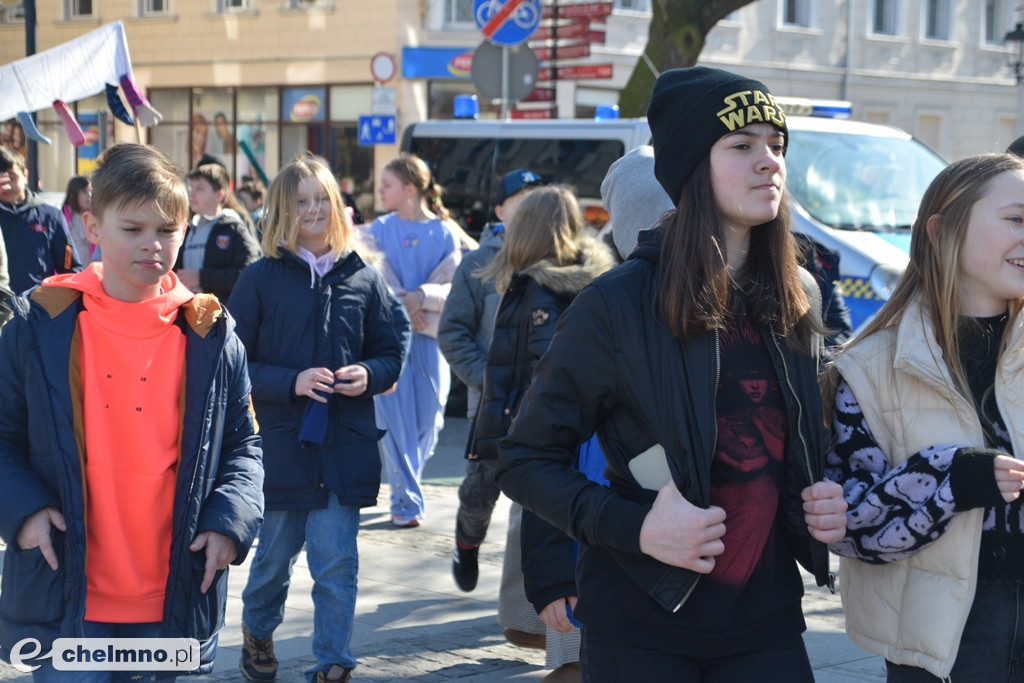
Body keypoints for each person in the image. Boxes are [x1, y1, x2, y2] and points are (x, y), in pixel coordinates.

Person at [494, 66, 848, 681]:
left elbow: (793, 444)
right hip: (642, 626)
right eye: (742, 146)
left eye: (777, 144)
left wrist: (821, 502)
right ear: (689, 167)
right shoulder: (615, 304)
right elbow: (524, 460)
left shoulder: (800, 297)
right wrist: (636, 528)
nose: (769, 161)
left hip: (768, 622)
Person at [0, 142, 265, 680]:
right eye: (133, 229)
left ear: (186, 228)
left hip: (175, 597)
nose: (153, 244)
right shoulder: (38, 323)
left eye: (167, 230)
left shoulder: (210, 331)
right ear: (92, 227)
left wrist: (229, 523)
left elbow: (245, 444)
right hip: (68, 596)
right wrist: (22, 512)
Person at [823, 153, 1024, 681]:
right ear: (941, 230)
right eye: (1017, 219)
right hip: (941, 643)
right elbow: (847, 525)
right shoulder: (869, 369)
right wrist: (948, 476)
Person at [230, 154, 410, 683]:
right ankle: (258, 630)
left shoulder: (364, 277)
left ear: (337, 206)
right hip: (283, 446)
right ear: (282, 211)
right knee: (271, 563)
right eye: (300, 200)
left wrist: (369, 374)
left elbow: (390, 349)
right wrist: (292, 381)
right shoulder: (260, 278)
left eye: (321, 199)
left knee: (336, 565)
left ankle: (334, 661)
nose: (312, 210)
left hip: (344, 445)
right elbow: (233, 360)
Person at [474, 185, 615, 681]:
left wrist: (507, 441)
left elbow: (540, 380)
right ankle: (539, 627)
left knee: (562, 596)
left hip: (552, 451)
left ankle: (551, 636)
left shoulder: (537, 290)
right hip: (583, 453)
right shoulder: (599, 280)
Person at [367, 152, 461, 528]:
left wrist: (421, 298)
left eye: (387, 185)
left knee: (429, 420)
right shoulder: (375, 231)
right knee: (392, 419)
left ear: (409, 189)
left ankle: (408, 487)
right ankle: (405, 500)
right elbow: (372, 275)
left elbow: (453, 282)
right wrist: (402, 306)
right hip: (389, 339)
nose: (380, 190)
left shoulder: (444, 232)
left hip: (429, 339)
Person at [175, 162, 260, 303]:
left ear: (219, 195)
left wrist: (201, 277)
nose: (192, 194)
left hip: (223, 315)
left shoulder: (233, 229)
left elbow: (248, 272)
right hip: (190, 315)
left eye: (199, 189)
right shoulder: (188, 229)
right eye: (191, 188)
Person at [0, 146, 81, 294]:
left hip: (37, 306)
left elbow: (69, 267)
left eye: (12, 178)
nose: (6, 186)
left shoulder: (50, 216)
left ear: (25, 175)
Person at [62, 175, 94, 264]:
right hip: (70, 269)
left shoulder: (96, 216)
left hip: (91, 269)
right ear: (74, 194)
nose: (89, 195)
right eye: (84, 191)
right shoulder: (62, 216)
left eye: (91, 191)